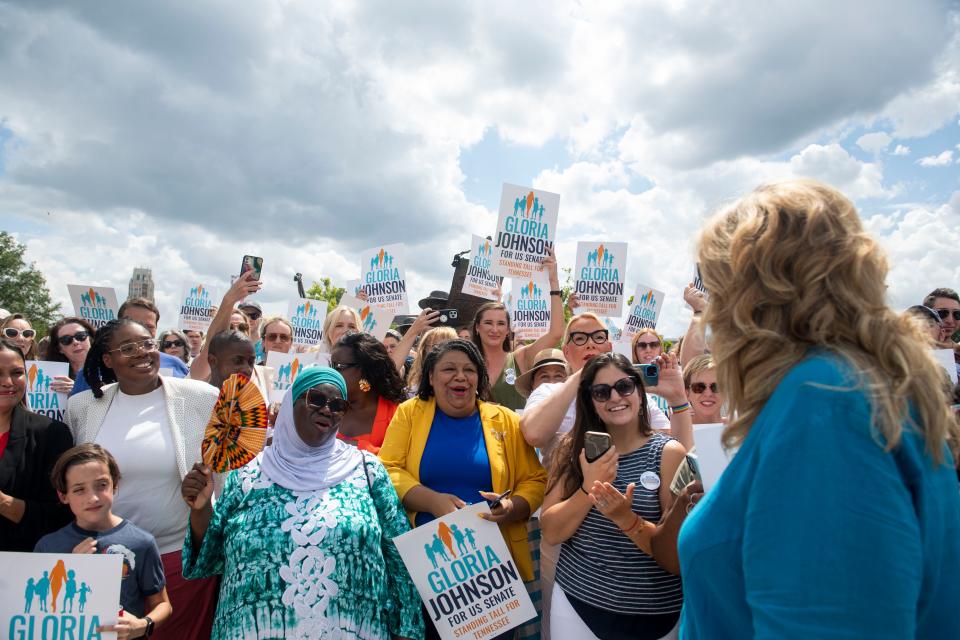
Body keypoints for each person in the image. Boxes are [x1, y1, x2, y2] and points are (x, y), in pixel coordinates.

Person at [678, 179, 960, 638]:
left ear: (755, 298)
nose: (711, 313)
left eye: (715, 289)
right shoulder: (851, 383)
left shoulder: (825, 403)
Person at [180, 366, 423, 639]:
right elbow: (209, 559)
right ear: (289, 404)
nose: (327, 410)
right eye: (316, 399)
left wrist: (407, 631)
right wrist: (201, 510)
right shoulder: (249, 475)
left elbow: (399, 555)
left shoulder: (366, 470)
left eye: (337, 405)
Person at [379, 339, 547, 638]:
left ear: (480, 378)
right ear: (431, 377)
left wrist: (512, 507)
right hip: (428, 572)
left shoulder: (506, 420)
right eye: (449, 369)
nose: (460, 376)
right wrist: (431, 501)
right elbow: (387, 469)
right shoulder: (409, 413)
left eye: (469, 369)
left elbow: (534, 480)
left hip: (491, 575)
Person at [66, 319, 220, 640]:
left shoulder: (201, 398)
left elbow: (226, 468)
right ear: (107, 360)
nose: (142, 353)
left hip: (177, 558)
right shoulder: (82, 407)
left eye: (148, 343)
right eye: (128, 348)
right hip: (104, 561)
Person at [540, 353, 686, 639]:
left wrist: (626, 518)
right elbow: (551, 531)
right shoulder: (572, 450)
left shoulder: (669, 453)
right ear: (590, 401)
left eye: (624, 386)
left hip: (656, 614)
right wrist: (590, 487)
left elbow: (676, 555)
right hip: (578, 606)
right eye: (601, 391)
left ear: (640, 391)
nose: (615, 397)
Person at [36, 444, 172, 638]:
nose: (92, 497)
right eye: (79, 490)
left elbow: (162, 604)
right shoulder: (47, 547)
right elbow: (39, 610)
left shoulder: (141, 542)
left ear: (114, 485)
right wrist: (70, 568)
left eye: (101, 485)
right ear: (63, 495)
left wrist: (142, 625)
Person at [0, 339, 74, 551]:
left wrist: (4, 503)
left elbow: (61, 514)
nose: (8, 382)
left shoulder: (52, 434)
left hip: (22, 567)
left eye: (16, 373)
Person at [469, 250, 565, 411]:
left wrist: (553, 281)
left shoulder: (520, 359)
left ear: (508, 330)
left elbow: (556, 332)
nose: (494, 329)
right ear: (477, 327)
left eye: (500, 323)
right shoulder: (466, 362)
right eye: (488, 323)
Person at [330, 332, 407, 453]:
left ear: (364, 369)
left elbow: (398, 462)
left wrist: (354, 447)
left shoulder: (397, 414)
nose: (332, 372)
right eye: (331, 365)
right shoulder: (324, 406)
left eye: (339, 366)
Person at [190, 271, 261, 383]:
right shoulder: (209, 364)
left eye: (242, 327)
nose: (237, 331)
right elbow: (211, 345)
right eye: (230, 327)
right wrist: (229, 300)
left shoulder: (262, 376)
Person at [117, 298, 190, 378]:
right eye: (134, 324)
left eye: (149, 326)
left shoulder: (175, 364)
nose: (142, 330)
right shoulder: (110, 362)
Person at [45, 317, 96, 396]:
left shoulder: (110, 369)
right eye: (66, 340)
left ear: (90, 338)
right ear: (59, 349)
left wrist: (78, 390)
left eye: (81, 336)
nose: (75, 342)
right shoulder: (49, 377)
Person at [404, 326, 458, 396]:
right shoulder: (411, 392)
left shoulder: (463, 384)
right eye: (433, 346)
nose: (438, 350)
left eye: (442, 345)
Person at [682, 355, 724, 424]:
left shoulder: (741, 431)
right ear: (687, 394)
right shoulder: (676, 433)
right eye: (699, 387)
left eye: (716, 387)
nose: (708, 394)